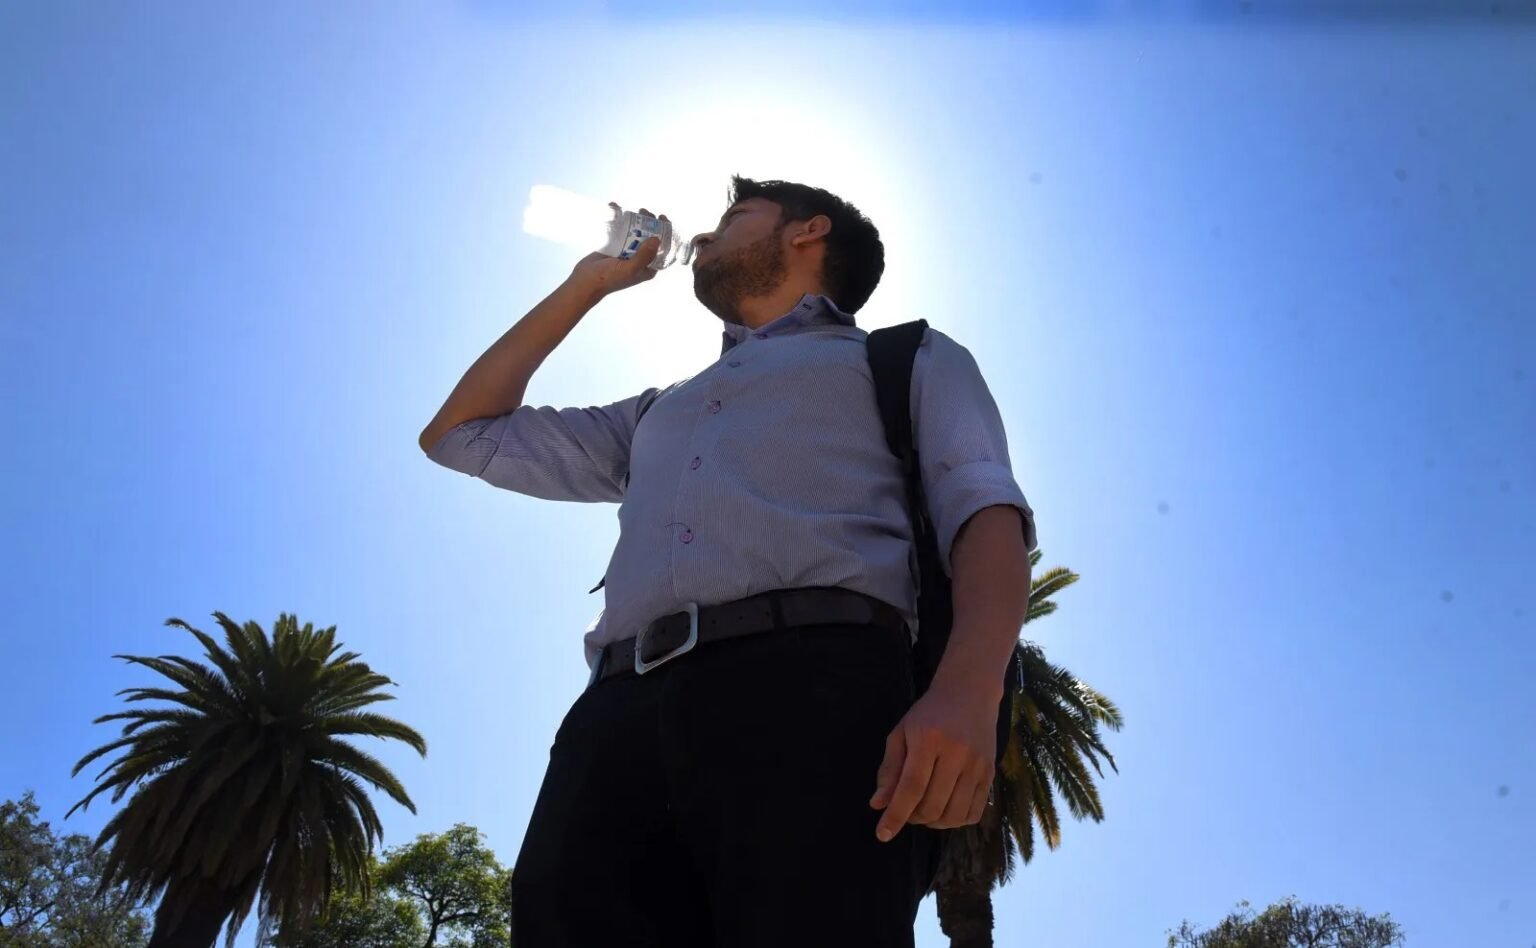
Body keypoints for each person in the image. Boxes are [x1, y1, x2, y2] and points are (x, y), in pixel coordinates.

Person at [418, 176, 1038, 947]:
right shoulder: (659, 408)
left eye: (735, 217)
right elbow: (461, 435)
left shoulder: (906, 357)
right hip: (614, 717)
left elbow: (984, 514)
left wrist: (969, 692)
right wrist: (588, 285)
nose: (705, 236)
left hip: (818, 695)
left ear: (809, 232)